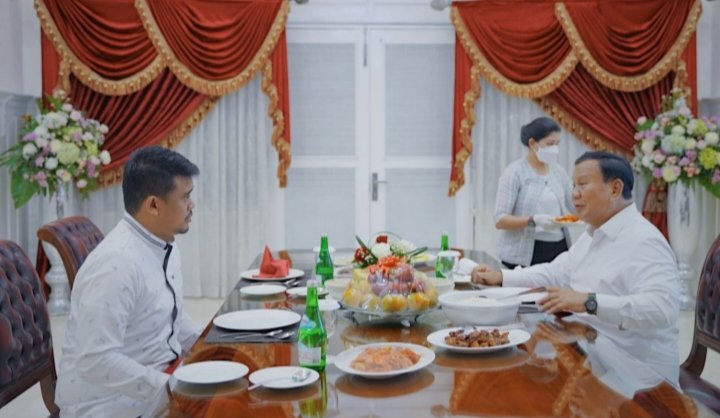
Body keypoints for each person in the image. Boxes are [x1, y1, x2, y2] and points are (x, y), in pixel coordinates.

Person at [472, 151, 680, 384]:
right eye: (573, 185)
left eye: (583, 184)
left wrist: (588, 302)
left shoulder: (645, 241)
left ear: (615, 189)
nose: (574, 194)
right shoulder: (593, 234)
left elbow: (662, 309)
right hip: (592, 350)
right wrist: (501, 276)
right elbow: (554, 272)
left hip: (639, 374)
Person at [56, 147, 202, 418]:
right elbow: (95, 360)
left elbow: (169, 315)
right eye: (185, 197)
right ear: (153, 205)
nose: (192, 205)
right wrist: (170, 388)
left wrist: (207, 346)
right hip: (111, 405)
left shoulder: (163, 244)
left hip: (155, 382)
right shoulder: (116, 264)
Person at [494, 116, 575, 269]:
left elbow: (576, 206)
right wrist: (533, 220)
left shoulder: (558, 172)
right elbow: (500, 220)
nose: (555, 149)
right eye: (550, 144)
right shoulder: (514, 173)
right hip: (524, 255)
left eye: (557, 144)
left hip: (559, 249)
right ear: (532, 143)